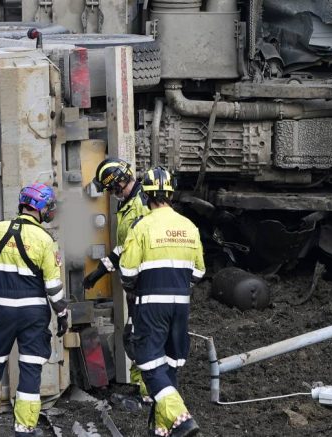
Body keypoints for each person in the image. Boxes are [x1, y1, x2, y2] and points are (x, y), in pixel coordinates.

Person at [0, 184, 68, 437]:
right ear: (42, 209)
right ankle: (24, 428)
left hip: (1, 312)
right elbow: (53, 286)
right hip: (33, 316)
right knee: (30, 370)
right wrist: (62, 314)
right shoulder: (45, 240)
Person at [120, 166, 205, 437]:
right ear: (171, 194)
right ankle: (161, 428)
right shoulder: (189, 226)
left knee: (147, 361)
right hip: (180, 304)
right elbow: (199, 272)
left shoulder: (142, 226)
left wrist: (135, 287)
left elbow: (128, 272)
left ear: (145, 196)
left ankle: (182, 420)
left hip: (151, 304)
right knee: (169, 364)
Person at [83, 157, 151, 402]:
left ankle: (149, 393)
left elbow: (130, 247)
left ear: (120, 181)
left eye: (111, 189)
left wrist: (101, 270)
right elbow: (125, 246)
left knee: (140, 335)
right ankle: (141, 386)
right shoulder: (132, 203)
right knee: (135, 334)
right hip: (136, 283)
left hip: (145, 282)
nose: (111, 194)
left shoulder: (141, 205)